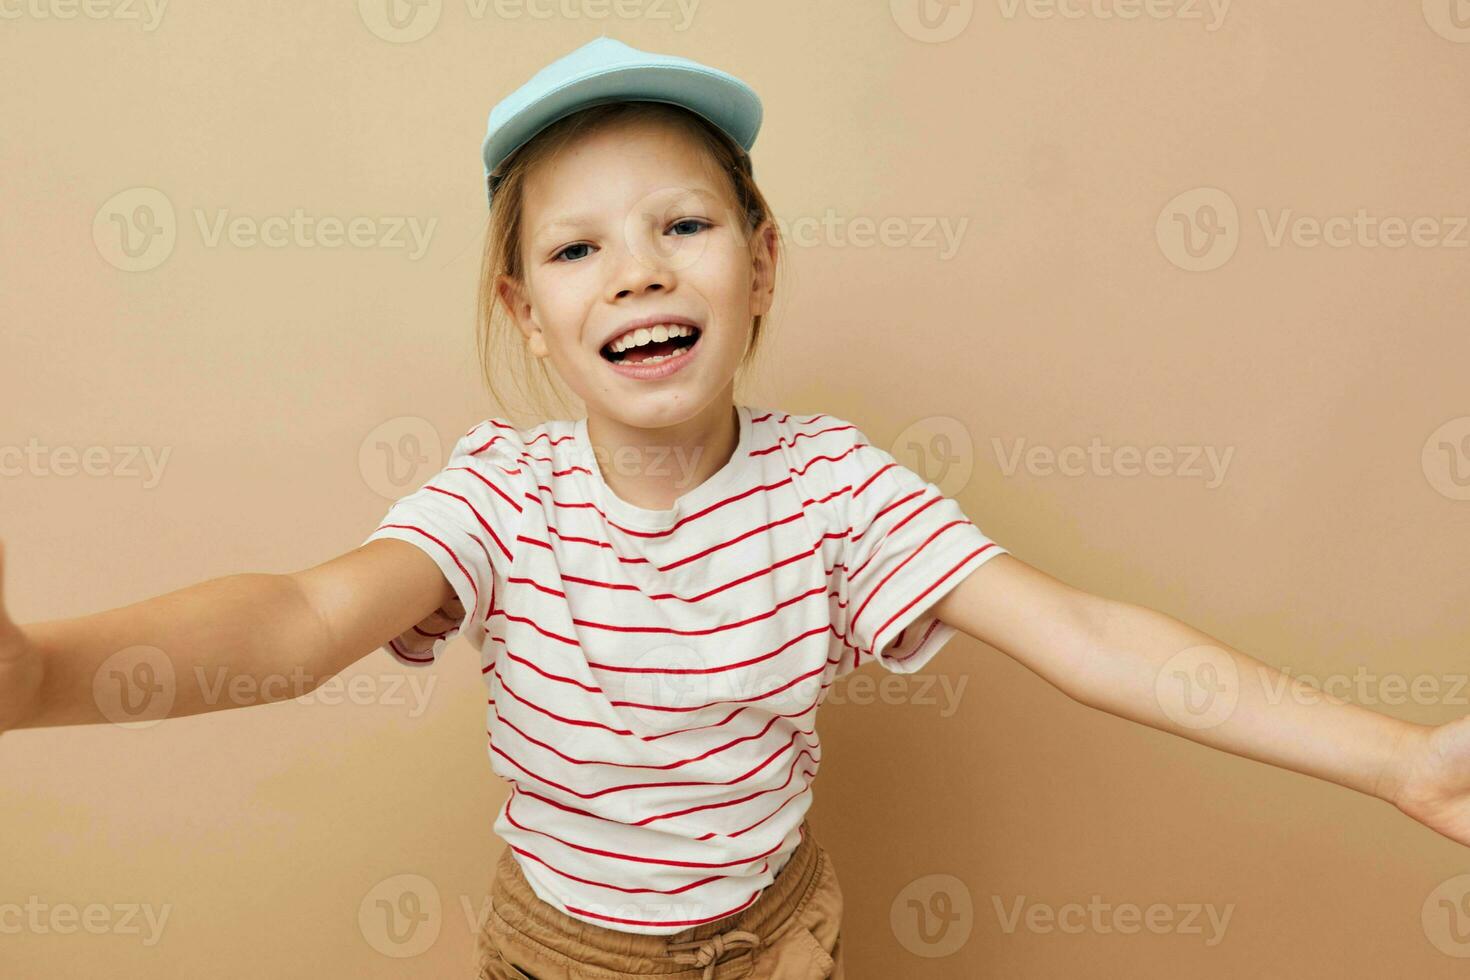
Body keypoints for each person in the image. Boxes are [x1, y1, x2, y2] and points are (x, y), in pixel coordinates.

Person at [3, 35, 1468, 980]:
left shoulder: (831, 487)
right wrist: (48, 675)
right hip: (562, 955)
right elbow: (305, 616)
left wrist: (1396, 757)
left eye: (682, 226)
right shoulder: (501, 500)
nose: (636, 270)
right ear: (526, 311)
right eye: (577, 250)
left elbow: (1083, 634)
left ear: (759, 265)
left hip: (780, 944)